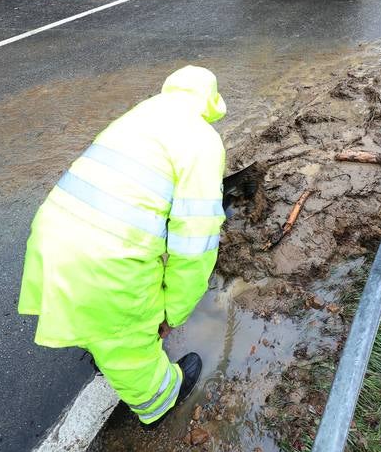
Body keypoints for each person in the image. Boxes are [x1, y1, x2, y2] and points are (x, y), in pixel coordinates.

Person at [18, 66, 226, 428]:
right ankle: (159, 401)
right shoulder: (203, 141)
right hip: (106, 258)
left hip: (52, 232)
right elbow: (195, 245)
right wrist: (170, 313)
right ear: (210, 104)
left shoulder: (139, 115)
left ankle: (100, 339)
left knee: (97, 312)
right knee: (130, 337)